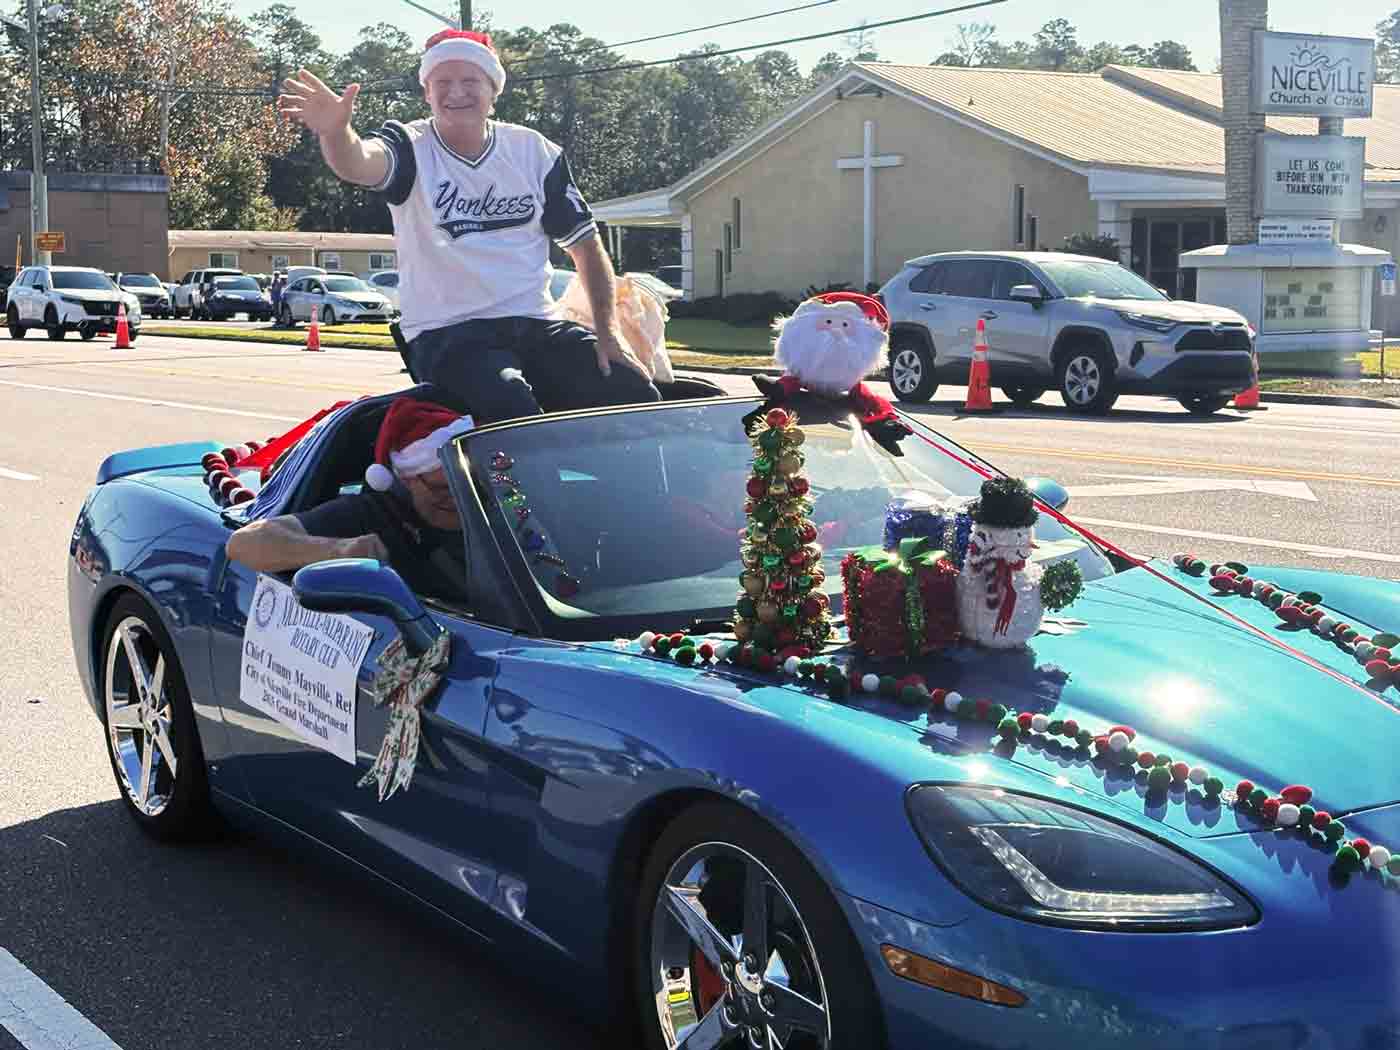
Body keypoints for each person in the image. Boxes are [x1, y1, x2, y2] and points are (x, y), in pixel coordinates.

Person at [275, 29, 661, 424]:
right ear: (427, 93)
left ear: (493, 91)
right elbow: (358, 162)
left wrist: (608, 333)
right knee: (509, 404)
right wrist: (336, 133)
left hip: (536, 325)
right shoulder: (409, 147)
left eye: (470, 81)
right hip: (448, 335)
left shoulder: (534, 152)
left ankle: (629, 486)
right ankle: (518, 488)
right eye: (442, 82)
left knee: (631, 388)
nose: (456, 92)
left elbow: (587, 248)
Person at [226, 398, 474, 602]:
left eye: (471, 484)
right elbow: (243, 543)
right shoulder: (371, 515)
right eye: (443, 487)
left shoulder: (502, 506)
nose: (461, 497)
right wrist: (338, 551)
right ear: (407, 480)